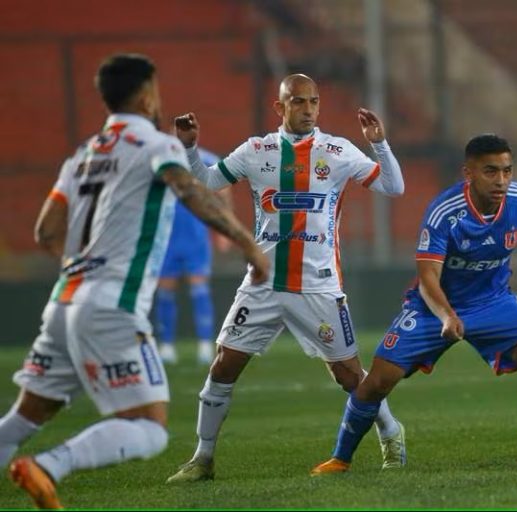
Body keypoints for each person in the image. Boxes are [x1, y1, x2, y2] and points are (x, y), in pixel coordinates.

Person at [0, 53, 269, 509]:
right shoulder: (156, 145)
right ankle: (49, 467)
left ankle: (34, 458)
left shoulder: (83, 154)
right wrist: (249, 244)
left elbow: (46, 231)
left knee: (26, 415)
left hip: (64, 302)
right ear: (147, 94)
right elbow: (188, 191)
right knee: (148, 429)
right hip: (110, 305)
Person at [165, 74, 407, 483]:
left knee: (349, 376)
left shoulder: (338, 150)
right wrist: (189, 149)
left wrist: (378, 142)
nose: (308, 109)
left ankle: (391, 433)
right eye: (298, 101)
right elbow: (206, 181)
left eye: (313, 101)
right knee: (224, 366)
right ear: (280, 107)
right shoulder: (256, 150)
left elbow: (394, 187)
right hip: (262, 284)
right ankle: (202, 458)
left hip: (318, 284)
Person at [311, 134, 517, 476]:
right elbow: (428, 277)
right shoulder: (445, 212)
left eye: (507, 171)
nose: (501, 180)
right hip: (433, 308)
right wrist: (446, 314)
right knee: (378, 382)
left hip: (493, 303)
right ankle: (340, 459)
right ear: (468, 173)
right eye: (491, 171)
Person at [155, 147, 230, 366]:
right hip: (166, 237)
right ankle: (166, 346)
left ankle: (205, 345)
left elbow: (223, 189)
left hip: (196, 236)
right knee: (165, 291)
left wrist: (224, 229)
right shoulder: (160, 160)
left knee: (199, 290)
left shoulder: (205, 159)